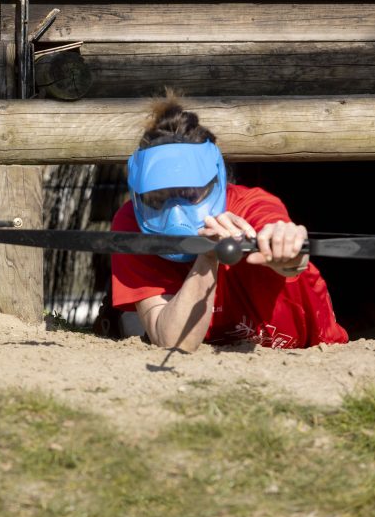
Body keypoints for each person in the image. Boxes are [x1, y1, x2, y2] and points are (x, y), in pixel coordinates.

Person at [109, 92, 348, 351]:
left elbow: (285, 246)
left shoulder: (253, 204)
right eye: (157, 199)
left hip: (307, 351)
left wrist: (288, 250)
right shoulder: (131, 223)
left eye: (190, 194)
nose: (175, 213)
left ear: (217, 183)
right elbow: (174, 342)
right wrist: (207, 257)